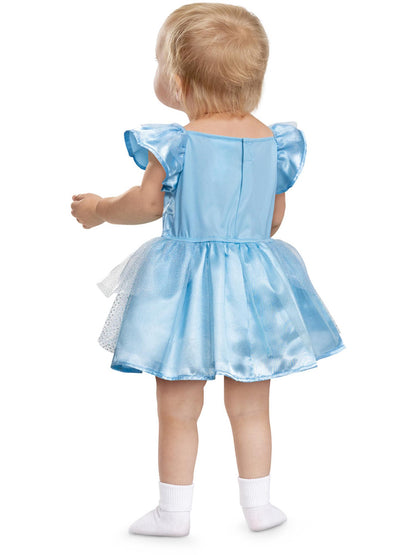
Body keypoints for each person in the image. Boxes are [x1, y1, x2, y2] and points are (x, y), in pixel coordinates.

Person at [70, 2, 346, 538]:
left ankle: (173, 513)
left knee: (177, 405)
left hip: (184, 287)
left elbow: (147, 206)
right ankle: (260, 506)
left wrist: (100, 209)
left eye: (157, 62)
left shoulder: (175, 143)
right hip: (253, 285)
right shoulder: (274, 141)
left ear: (177, 82)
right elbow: (273, 220)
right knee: (251, 404)